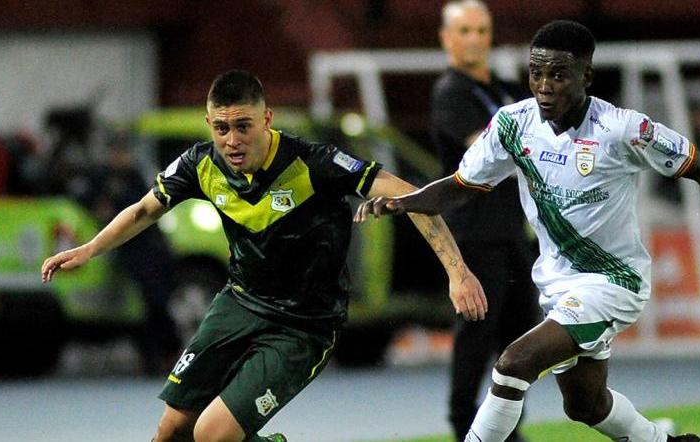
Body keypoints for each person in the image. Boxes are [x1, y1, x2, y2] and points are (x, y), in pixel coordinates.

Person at [356, 20, 700, 442]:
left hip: (613, 282)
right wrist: (404, 202)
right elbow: (461, 186)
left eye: (558, 75)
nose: (544, 86)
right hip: (557, 283)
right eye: (537, 74)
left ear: (586, 76)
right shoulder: (514, 125)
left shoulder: (623, 129)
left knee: (513, 364)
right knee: (585, 404)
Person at [42, 69, 488, 442]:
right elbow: (143, 210)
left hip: (303, 325)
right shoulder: (200, 164)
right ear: (209, 124)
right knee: (171, 431)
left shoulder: (312, 163)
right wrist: (89, 249)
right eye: (221, 128)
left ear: (267, 119)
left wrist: (458, 272)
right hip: (238, 306)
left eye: (243, 126)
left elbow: (412, 197)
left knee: (211, 435)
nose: (232, 140)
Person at [430, 2, 540, 441]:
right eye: (465, 31)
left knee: (520, 342)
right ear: (447, 39)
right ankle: (463, 425)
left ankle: (509, 429)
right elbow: (491, 152)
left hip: (514, 233)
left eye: (481, 30)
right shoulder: (451, 92)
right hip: (474, 235)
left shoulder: (506, 88)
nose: (475, 39)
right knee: (475, 338)